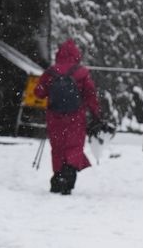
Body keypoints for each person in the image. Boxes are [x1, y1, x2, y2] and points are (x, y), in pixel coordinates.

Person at [35, 39, 101, 195]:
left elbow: (38, 92)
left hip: (54, 117)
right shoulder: (82, 72)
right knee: (74, 146)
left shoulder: (51, 72)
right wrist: (96, 115)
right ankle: (68, 175)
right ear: (76, 54)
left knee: (57, 148)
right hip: (76, 117)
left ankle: (57, 177)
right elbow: (91, 96)